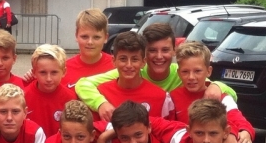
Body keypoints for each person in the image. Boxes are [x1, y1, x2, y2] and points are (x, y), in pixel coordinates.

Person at [76, 23, 237, 122]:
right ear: (144, 54)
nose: (159, 56)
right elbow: (83, 84)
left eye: (165, 50)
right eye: (152, 50)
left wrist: (216, 86)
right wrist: (101, 103)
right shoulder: (133, 71)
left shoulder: (183, 73)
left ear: (174, 50)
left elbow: (231, 95)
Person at [24, 44, 77, 132]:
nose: (48, 79)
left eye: (54, 72)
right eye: (43, 72)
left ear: (64, 72)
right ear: (34, 73)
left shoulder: (70, 99)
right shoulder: (23, 97)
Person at [63, 9, 113, 87]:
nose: (90, 42)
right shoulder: (63, 70)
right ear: (76, 36)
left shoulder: (117, 67)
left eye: (96, 37)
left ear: (106, 38)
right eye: (84, 37)